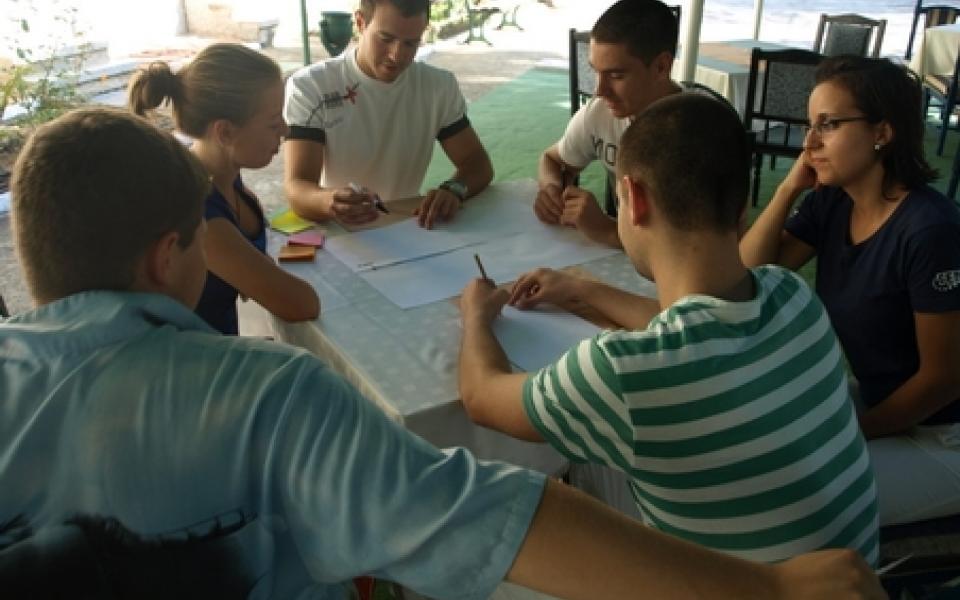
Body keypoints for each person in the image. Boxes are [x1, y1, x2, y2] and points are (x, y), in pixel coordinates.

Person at [0, 107, 887, 600]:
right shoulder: (788, 302)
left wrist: (529, 306)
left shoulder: (634, 370)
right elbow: (480, 505)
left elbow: (496, 407)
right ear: (167, 255)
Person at [459, 93, 879, 565]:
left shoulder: (622, 372)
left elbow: (481, 397)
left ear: (633, 200)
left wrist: (476, 316)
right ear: (741, 204)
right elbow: (702, 328)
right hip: (856, 578)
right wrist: (584, 290)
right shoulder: (793, 295)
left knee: (513, 532)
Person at [740, 56, 960, 527]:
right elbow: (750, 272)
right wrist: (787, 191)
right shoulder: (834, 201)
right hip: (887, 404)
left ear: (882, 131)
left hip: (945, 434)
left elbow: (944, 379)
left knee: (799, 497)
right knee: (762, 436)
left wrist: (853, 433)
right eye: (809, 126)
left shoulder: (930, 231)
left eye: (829, 125)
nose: (809, 143)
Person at [129, 43, 319, 335]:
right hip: (194, 368)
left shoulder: (227, 182)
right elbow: (301, 303)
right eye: (272, 123)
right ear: (225, 132)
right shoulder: (197, 211)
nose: (285, 130)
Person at [284, 0, 493, 230]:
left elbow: (477, 163)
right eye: (385, 39)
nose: (397, 55)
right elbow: (297, 187)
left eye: (411, 43)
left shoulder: (438, 86)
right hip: (341, 232)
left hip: (408, 225)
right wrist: (331, 201)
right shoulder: (312, 85)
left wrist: (454, 188)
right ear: (361, 23)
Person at [535, 0, 719, 248]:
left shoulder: (702, 132)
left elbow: (700, 247)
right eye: (595, 72)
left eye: (616, 75)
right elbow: (553, 160)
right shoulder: (600, 113)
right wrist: (552, 189)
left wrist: (607, 230)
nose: (600, 91)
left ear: (661, 67)